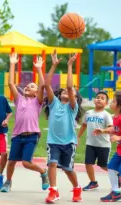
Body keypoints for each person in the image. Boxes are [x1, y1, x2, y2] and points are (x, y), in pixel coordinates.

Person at [0, 53, 49, 192]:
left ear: (36, 92)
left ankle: (43, 172)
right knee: (11, 162)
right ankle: (8, 182)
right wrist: (12, 64)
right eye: (27, 86)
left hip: (31, 136)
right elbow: (10, 83)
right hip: (17, 135)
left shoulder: (37, 102)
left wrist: (39, 69)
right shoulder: (19, 99)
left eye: (32, 86)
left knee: (26, 163)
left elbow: (42, 86)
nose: (28, 87)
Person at [43, 50, 84, 203]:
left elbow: (69, 85)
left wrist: (69, 66)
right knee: (52, 164)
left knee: (68, 169)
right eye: (64, 91)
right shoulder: (54, 104)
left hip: (68, 143)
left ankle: (77, 188)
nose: (67, 90)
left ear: (75, 97)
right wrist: (53, 65)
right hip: (53, 142)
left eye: (71, 91)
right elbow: (46, 84)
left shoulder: (72, 107)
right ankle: (53, 191)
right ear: (59, 95)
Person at [77, 91, 121, 191]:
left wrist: (102, 130)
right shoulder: (88, 113)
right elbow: (84, 125)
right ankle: (93, 182)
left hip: (103, 145)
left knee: (103, 165)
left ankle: (116, 174)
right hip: (90, 144)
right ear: (94, 100)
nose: (99, 99)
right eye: (97, 97)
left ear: (106, 103)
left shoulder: (106, 115)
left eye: (102, 98)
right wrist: (78, 136)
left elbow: (111, 128)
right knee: (88, 163)